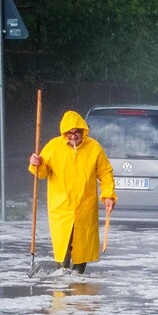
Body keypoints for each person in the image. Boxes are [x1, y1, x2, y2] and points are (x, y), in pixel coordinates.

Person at [28, 110, 117, 274]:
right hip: (61, 207)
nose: (73, 136)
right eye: (69, 132)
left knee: (82, 246)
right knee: (63, 246)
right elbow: (41, 173)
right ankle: (62, 277)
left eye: (76, 132)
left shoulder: (94, 148)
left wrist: (108, 195)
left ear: (83, 131)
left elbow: (105, 173)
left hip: (85, 207)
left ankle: (78, 277)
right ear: (64, 133)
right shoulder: (53, 147)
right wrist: (36, 163)